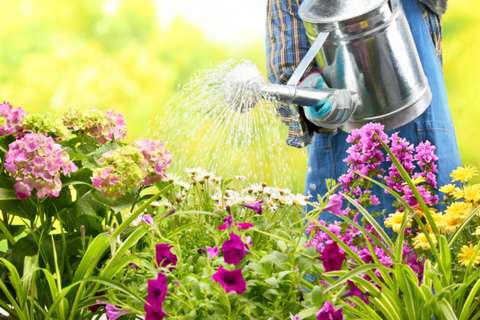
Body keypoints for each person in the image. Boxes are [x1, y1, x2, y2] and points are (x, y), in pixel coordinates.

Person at [266, 0, 462, 224]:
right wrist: (309, 90)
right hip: (344, 141)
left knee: (435, 246)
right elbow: (287, 63)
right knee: (346, 248)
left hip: (422, 131)